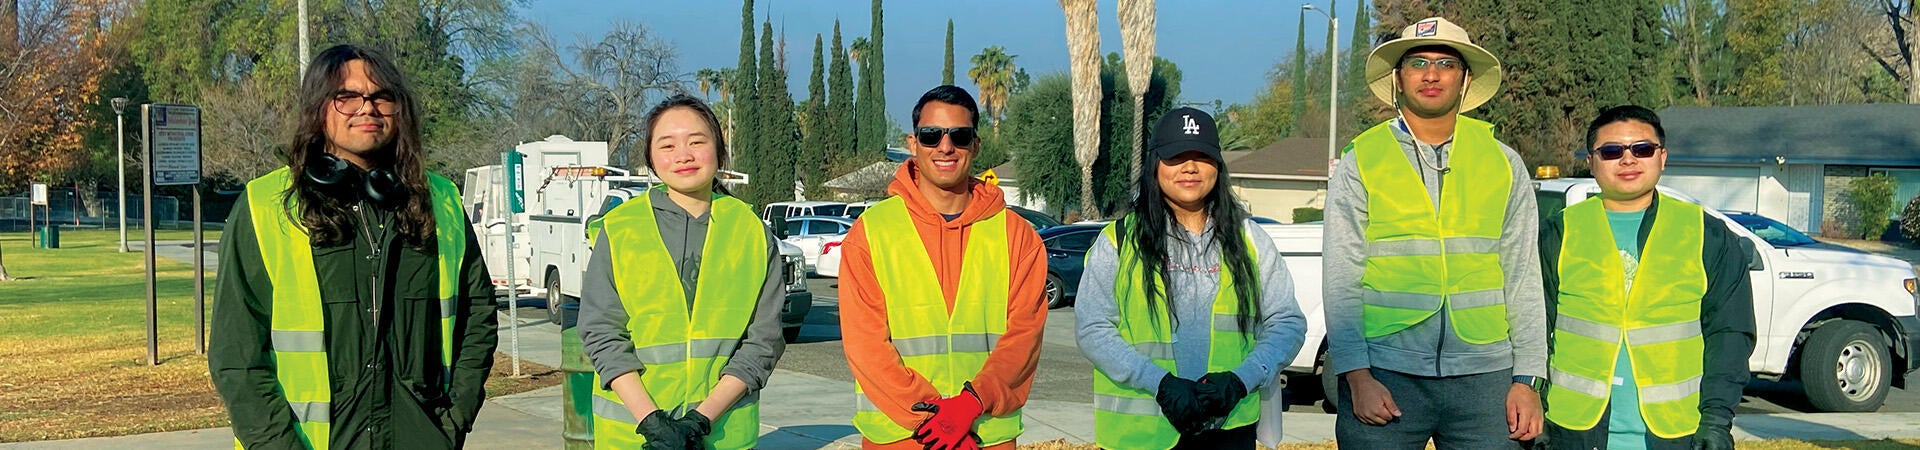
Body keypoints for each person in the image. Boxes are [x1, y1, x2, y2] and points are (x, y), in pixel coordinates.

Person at [209, 44, 497, 449]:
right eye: (348, 97)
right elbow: (236, 355)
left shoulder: (442, 201)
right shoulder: (266, 206)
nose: (368, 108)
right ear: (319, 107)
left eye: (382, 97)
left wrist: (451, 425)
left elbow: (478, 319)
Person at [1323, 17, 1548, 449]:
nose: (1431, 74)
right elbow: (1340, 280)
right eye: (1417, 62)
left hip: (1486, 382)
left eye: (1446, 63)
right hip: (1385, 376)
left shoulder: (1503, 162)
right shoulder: (1361, 160)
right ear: (1398, 79)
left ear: (1464, 80)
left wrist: (1527, 379)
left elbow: (1522, 277)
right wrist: (1356, 376)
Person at [1075, 108, 1309, 449]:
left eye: (1202, 155)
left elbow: (1287, 322)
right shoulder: (1119, 241)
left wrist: (1240, 381)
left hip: (1229, 432)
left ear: (1218, 165)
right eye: (1176, 156)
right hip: (1141, 437)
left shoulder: (1251, 240)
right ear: (1155, 165)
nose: (1190, 166)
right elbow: (1092, 329)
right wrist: (1160, 384)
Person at [839, 85, 1048, 450]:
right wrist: (937, 421)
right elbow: (866, 346)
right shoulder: (871, 233)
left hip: (986, 436)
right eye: (932, 135)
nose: (945, 147)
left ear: (976, 146)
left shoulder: (1017, 237)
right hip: (900, 438)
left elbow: (1023, 339)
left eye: (960, 136)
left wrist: (969, 406)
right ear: (913, 143)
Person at [578, 94, 789, 449]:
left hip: (722, 436)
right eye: (667, 144)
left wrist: (700, 420)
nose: (684, 155)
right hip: (634, 437)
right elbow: (602, 333)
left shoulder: (751, 231)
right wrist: (652, 423)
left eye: (697, 142)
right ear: (650, 158)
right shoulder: (619, 230)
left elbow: (763, 340)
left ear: (719, 152)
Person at [1539, 105, 1754, 450]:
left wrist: (1715, 421)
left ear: (1662, 157)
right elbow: (1534, 330)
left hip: (1675, 435)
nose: (1628, 160)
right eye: (1611, 151)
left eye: (1642, 149)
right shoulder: (1559, 232)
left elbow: (1729, 336)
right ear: (1591, 162)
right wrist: (1535, 402)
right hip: (1572, 432)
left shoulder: (1706, 234)